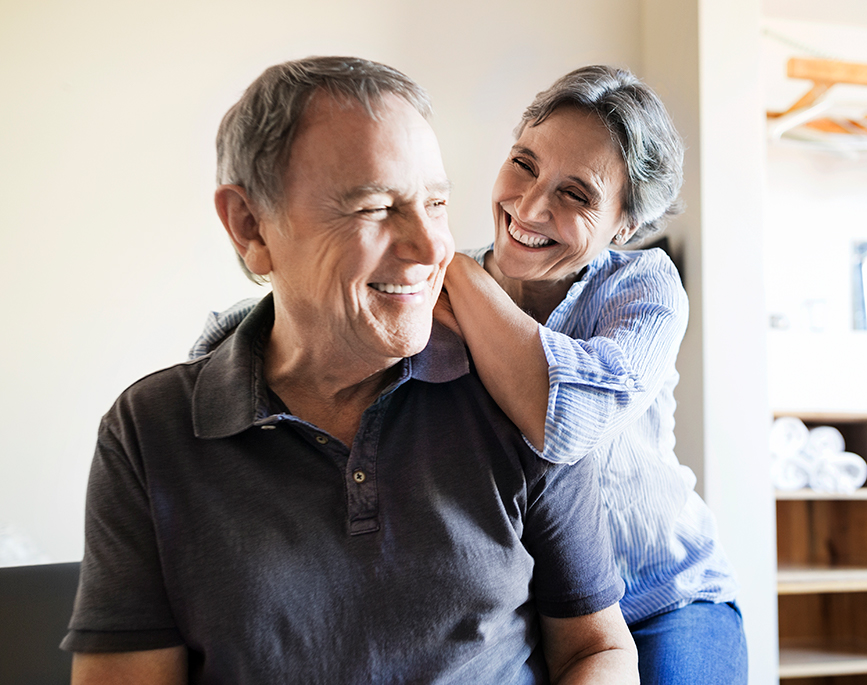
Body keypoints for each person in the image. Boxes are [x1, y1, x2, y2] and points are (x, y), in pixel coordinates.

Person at [61, 56, 638, 685]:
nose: (432, 248)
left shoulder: (514, 394)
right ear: (251, 227)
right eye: (374, 207)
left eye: (437, 203)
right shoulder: (149, 431)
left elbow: (596, 650)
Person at [437, 65, 746, 685]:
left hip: (661, 598)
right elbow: (316, 310)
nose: (528, 206)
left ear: (624, 225)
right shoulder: (450, 277)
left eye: (576, 194)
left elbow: (565, 422)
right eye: (524, 164)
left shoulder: (644, 286)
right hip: (533, 608)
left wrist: (453, 270)